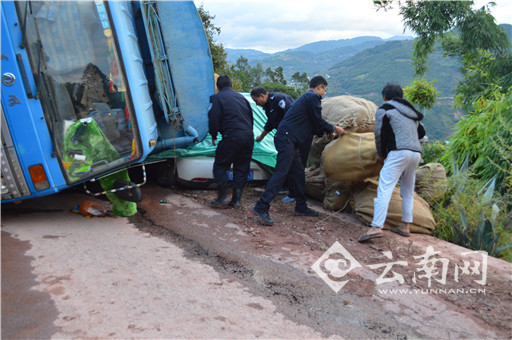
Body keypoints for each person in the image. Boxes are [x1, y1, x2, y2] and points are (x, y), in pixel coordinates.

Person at [251, 75, 345, 225]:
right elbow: (318, 120)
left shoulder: (306, 98)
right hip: (287, 139)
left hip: (289, 139)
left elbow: (315, 124)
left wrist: (328, 131)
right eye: (324, 90)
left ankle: (301, 206)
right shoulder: (313, 97)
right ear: (319, 87)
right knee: (282, 172)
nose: (324, 93)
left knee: (299, 172)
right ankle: (262, 206)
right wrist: (334, 128)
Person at [358, 83, 423, 242]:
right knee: (407, 191)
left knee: (385, 187)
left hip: (399, 151)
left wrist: (380, 154)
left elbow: (378, 133)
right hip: (415, 153)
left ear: (385, 97)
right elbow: (422, 132)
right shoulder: (412, 113)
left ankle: (376, 227)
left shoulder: (385, 109)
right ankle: (405, 226)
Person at [208, 75, 254, 207]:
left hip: (232, 136)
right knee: (242, 167)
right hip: (248, 136)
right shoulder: (242, 98)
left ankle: (222, 197)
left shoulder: (216, 98)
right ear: (232, 85)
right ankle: (236, 200)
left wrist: (213, 134)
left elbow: (213, 117)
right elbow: (250, 118)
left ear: (218, 87)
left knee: (220, 165)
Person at [250, 86, 296, 202]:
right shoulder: (267, 106)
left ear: (262, 96)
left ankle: (288, 190)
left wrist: (286, 134)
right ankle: (287, 188)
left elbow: (291, 116)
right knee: (284, 162)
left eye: (256, 101)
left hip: (290, 136)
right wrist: (261, 137)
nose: (257, 104)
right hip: (282, 136)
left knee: (285, 163)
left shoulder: (279, 99)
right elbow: (270, 123)